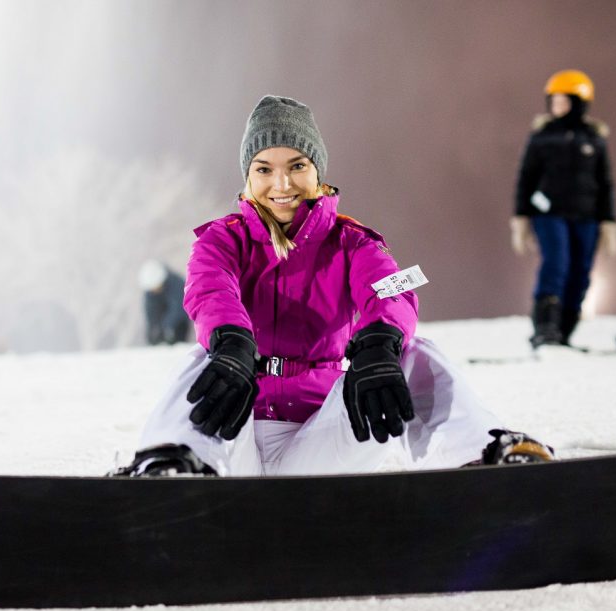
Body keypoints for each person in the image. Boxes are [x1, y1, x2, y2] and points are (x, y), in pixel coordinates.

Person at [112, 95, 554, 478]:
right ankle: (170, 463)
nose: (281, 184)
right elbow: (211, 291)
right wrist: (232, 342)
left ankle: (489, 452)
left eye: (296, 166)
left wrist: (380, 342)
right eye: (264, 168)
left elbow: (391, 290)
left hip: (324, 435)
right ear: (248, 175)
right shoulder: (222, 239)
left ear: (317, 171)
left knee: (412, 351)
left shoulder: (351, 241)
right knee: (204, 358)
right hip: (234, 432)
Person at [511, 69, 616, 348]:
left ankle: (565, 332)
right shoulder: (541, 137)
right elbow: (526, 178)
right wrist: (521, 218)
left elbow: (605, 183)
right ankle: (545, 329)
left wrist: (609, 222)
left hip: (587, 217)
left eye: (564, 100)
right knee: (556, 264)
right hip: (549, 215)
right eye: (554, 100)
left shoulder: (595, 139)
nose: (557, 105)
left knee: (580, 271)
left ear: (579, 102)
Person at [138, 259, 190, 345]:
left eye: (157, 287)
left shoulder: (177, 284)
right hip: (164, 318)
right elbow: (150, 312)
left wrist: (166, 326)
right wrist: (152, 330)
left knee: (177, 335)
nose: (155, 290)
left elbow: (179, 309)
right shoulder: (150, 293)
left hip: (179, 322)